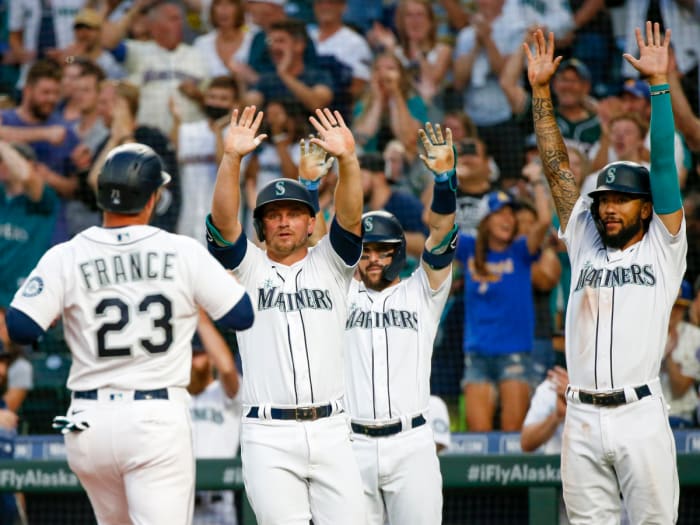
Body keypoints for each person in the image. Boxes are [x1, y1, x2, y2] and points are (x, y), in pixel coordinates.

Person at [5, 142, 255, 525]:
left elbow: (21, 327)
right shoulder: (181, 251)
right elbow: (242, 315)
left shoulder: (67, 254)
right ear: (154, 197)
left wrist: (60, 313)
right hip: (154, 418)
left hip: (87, 421)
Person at [525, 23, 686, 524]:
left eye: (622, 200)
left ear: (646, 207)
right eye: (604, 200)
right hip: (581, 416)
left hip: (640, 413)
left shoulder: (664, 244)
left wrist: (659, 87)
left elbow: (661, 164)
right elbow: (556, 167)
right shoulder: (584, 237)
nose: (609, 207)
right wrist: (541, 93)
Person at [205, 106, 365, 524]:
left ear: (311, 222)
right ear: (261, 226)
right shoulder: (249, 269)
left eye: (293, 213)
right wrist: (231, 159)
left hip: (332, 427)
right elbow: (224, 224)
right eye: (272, 215)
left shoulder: (332, 264)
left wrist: (347, 160)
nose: (283, 222)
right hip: (268, 432)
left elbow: (349, 219)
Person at [343, 122, 458, 524]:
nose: (373, 258)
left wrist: (444, 181)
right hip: (350, 442)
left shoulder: (421, 290)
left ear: (399, 253)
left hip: (411, 443)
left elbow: (441, 232)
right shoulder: (339, 293)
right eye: (365, 250)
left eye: (383, 250)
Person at [457, 183, 551, 431]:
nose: (508, 219)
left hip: (515, 355)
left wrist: (537, 182)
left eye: (511, 213)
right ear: (485, 220)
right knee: (479, 438)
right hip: (477, 356)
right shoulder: (468, 248)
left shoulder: (520, 250)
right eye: (500, 212)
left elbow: (543, 221)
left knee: (513, 437)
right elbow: (434, 223)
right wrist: (443, 181)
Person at [188, 311, 243, 525]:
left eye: (198, 354)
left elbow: (227, 368)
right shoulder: (175, 395)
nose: (192, 361)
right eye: (189, 354)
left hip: (218, 509)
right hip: (179, 507)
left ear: (210, 357)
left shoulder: (223, 393)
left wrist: (200, 316)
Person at [661, 280, 700, 427]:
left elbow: (679, 389)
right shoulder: (647, 336)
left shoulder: (695, 337)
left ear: (685, 309)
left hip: (681, 419)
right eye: (670, 305)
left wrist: (669, 356)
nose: (673, 312)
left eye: (679, 307)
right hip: (650, 418)